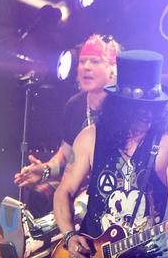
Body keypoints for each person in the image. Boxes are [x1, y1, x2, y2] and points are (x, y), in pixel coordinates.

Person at [53, 50, 168, 258]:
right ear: (119, 105)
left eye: (152, 106)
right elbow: (63, 192)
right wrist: (69, 236)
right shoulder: (90, 137)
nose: (145, 113)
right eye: (136, 107)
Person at [13, 34, 121, 215]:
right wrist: (45, 170)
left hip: (114, 184)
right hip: (78, 180)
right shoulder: (75, 105)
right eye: (82, 61)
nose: (86, 67)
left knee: (81, 208)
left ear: (112, 69)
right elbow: (67, 155)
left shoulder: (123, 106)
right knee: (40, 196)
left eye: (95, 61)